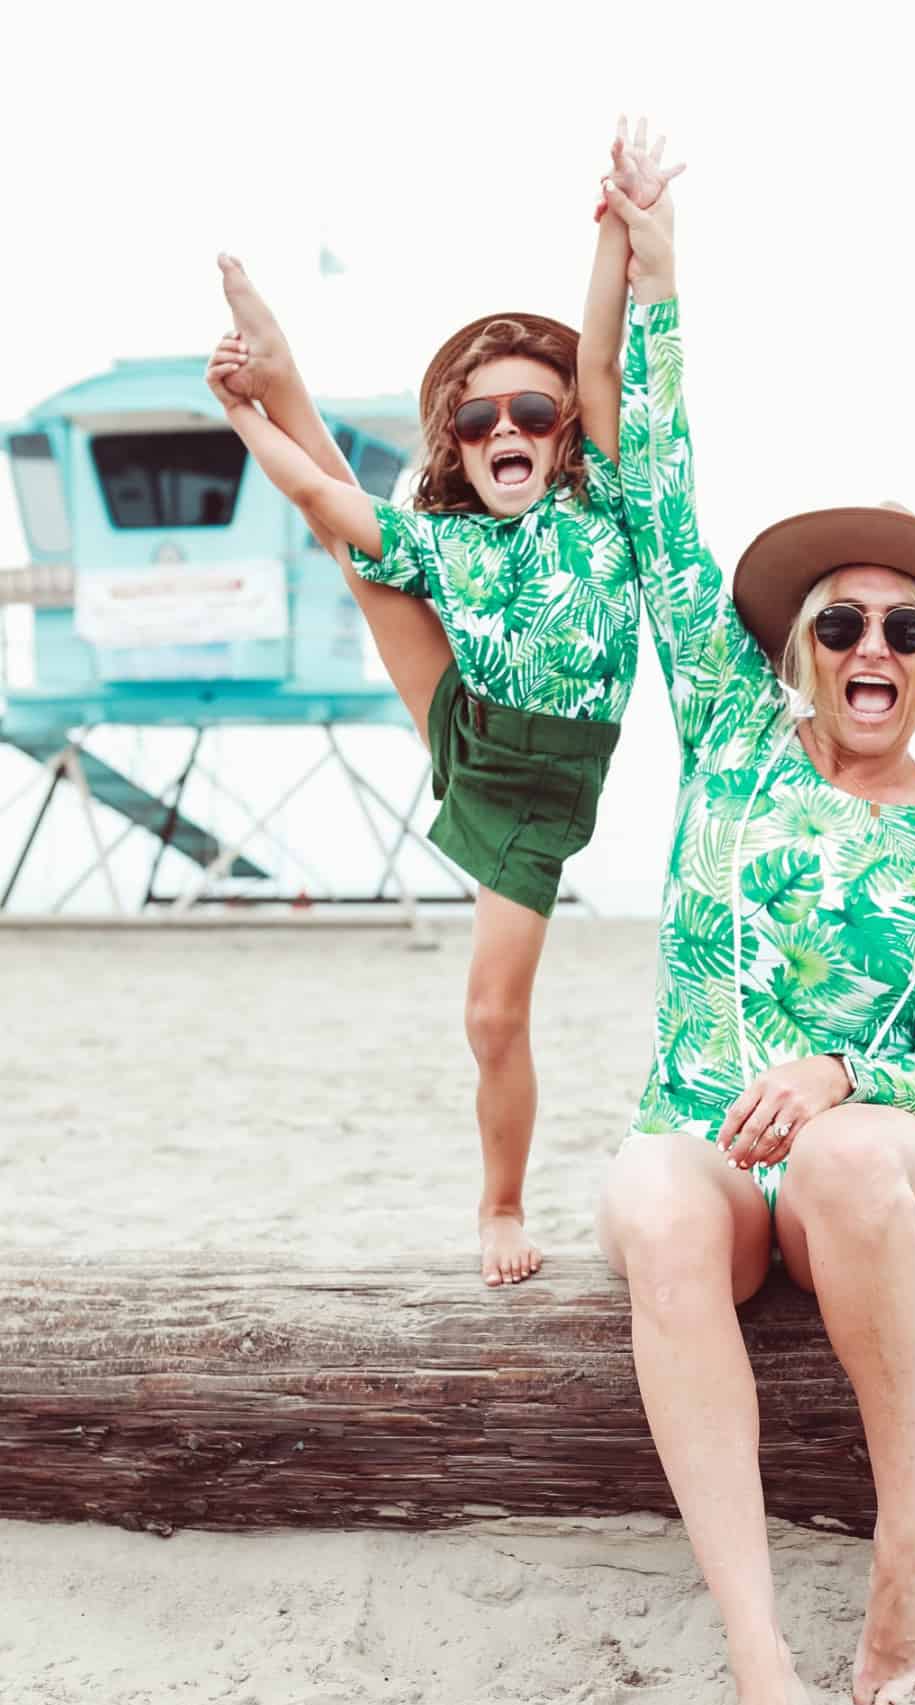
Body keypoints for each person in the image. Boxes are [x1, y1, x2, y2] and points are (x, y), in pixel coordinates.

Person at [595, 164, 915, 1705]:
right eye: (842, 619)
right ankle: (762, 1674)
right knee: (644, 1194)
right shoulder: (728, 739)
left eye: (904, 631)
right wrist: (659, 280)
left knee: (848, 1152)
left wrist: (844, 1077)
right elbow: (654, 506)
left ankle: (906, 1543)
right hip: (713, 1154)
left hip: (872, 1168)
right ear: (802, 647)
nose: (869, 645)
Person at [203, 123, 681, 1287]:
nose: (504, 431)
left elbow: (610, 362)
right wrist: (247, 417)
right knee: (357, 551)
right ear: (456, 449)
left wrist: (622, 230)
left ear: (561, 432)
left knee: (489, 1016)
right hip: (466, 720)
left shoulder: (605, 503)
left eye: (527, 413)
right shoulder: (448, 540)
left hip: (538, 778)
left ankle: (503, 1204)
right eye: (478, 423)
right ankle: (282, 365)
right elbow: (325, 495)